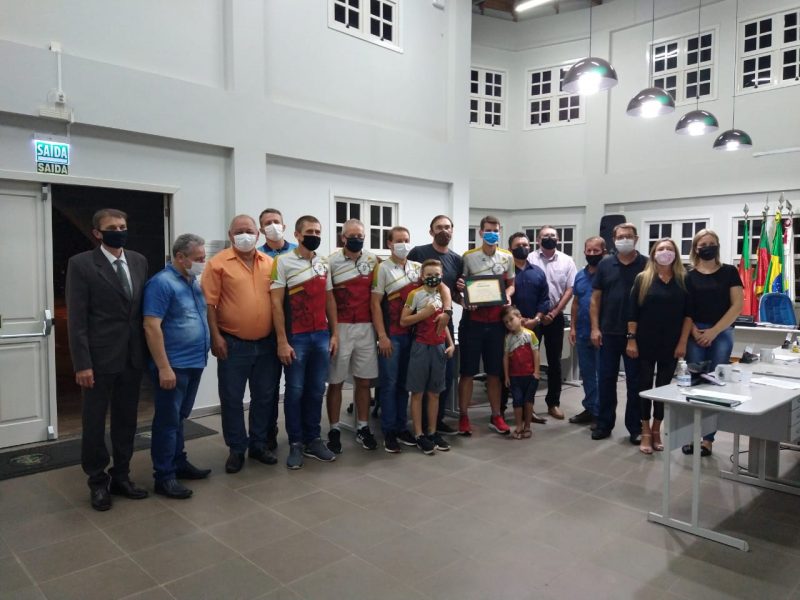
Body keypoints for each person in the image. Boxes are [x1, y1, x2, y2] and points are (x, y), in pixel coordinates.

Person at [66, 208, 149, 511]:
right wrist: (82, 363)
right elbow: (77, 319)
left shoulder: (138, 261)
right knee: (94, 421)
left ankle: (122, 475)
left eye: (123, 226)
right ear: (97, 233)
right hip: (98, 360)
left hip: (131, 356)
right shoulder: (82, 264)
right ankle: (97, 481)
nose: (119, 231)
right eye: (112, 227)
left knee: (127, 420)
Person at [202, 215, 280, 474]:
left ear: (258, 234)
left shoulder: (270, 263)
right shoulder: (217, 264)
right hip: (233, 344)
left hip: (266, 344)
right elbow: (210, 305)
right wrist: (216, 337)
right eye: (238, 231)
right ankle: (236, 448)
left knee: (264, 397)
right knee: (232, 399)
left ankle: (258, 444)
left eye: (249, 230)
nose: (244, 235)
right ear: (230, 235)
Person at [143, 233, 212, 499]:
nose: (203, 262)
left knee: (180, 417)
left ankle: (178, 462)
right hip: (174, 365)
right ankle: (164, 476)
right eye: (198, 258)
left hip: (194, 362)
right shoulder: (161, 283)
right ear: (180, 257)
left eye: (204, 257)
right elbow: (151, 326)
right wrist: (163, 367)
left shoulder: (192, 282)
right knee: (167, 421)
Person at [371, 227, 452, 452]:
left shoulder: (417, 267)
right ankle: (389, 431)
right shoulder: (382, 269)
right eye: (399, 240)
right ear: (389, 243)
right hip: (392, 335)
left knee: (405, 385)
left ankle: (401, 427)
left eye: (406, 240)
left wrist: (447, 311)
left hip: (415, 336)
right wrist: (382, 336)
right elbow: (375, 304)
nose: (403, 244)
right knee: (389, 384)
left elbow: (443, 287)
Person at [271, 215, 339, 469]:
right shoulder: (282, 261)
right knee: (295, 391)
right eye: (309, 231)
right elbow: (276, 303)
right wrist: (282, 340)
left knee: (316, 390)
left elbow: (330, 299)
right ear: (297, 235)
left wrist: (334, 333)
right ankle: (296, 443)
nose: (314, 235)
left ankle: (313, 439)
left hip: (321, 335)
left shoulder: (323, 263)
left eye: (318, 231)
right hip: (296, 336)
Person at [626, 238, 692, 455]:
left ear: (676, 254)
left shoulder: (683, 279)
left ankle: (657, 429)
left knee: (663, 388)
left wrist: (683, 342)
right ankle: (645, 430)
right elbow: (632, 313)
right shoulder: (643, 278)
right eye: (661, 249)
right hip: (645, 341)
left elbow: (688, 315)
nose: (665, 252)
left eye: (669, 249)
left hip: (671, 344)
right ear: (654, 253)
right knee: (645, 386)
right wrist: (631, 339)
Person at [683, 229, 743, 457]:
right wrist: (695, 332)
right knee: (694, 383)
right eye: (702, 244)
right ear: (695, 248)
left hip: (722, 332)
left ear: (717, 245)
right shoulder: (688, 276)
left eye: (711, 243)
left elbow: (737, 305)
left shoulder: (729, 272)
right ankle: (690, 435)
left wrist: (714, 331)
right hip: (695, 332)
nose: (707, 247)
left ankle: (707, 439)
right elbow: (683, 308)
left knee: (715, 384)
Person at [325, 219, 380, 454]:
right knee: (336, 381)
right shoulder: (330, 262)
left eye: (361, 236)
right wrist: (334, 332)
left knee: (364, 381)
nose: (357, 239)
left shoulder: (373, 260)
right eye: (352, 236)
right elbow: (328, 298)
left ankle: (363, 426)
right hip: (342, 327)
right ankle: (334, 429)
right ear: (343, 237)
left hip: (366, 327)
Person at [457, 215, 515, 436]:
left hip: (497, 323)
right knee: (467, 372)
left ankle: (496, 415)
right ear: (480, 232)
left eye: (496, 230)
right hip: (472, 323)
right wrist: (466, 296)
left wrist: (508, 295)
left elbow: (511, 285)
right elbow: (462, 285)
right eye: (488, 230)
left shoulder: (507, 257)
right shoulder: (469, 257)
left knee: (494, 373)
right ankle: (463, 416)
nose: (492, 234)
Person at [590, 223, 647, 443]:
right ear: (613, 240)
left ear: (636, 238)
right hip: (608, 333)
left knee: (635, 382)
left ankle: (635, 428)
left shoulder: (646, 264)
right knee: (606, 380)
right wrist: (595, 328)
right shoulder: (605, 264)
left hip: (636, 335)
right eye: (620, 236)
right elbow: (595, 300)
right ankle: (604, 424)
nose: (625, 240)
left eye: (629, 236)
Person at [408, 215, 461, 435]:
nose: (444, 231)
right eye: (439, 227)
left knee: (442, 377)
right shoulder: (418, 253)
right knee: (419, 380)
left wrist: (466, 300)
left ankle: (436, 423)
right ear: (431, 231)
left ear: (452, 231)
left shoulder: (457, 260)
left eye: (447, 227)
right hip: (419, 326)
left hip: (444, 324)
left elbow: (454, 292)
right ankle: (418, 427)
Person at [400, 259, 455, 454]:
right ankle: (419, 434)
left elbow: (442, 322)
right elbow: (404, 320)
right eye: (429, 275)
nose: (433, 278)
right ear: (422, 276)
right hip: (421, 346)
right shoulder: (415, 294)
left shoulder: (442, 293)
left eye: (436, 275)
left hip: (439, 347)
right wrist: (424, 313)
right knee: (418, 392)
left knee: (434, 393)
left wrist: (450, 343)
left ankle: (432, 431)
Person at [257, 208, 298, 453]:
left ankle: (298, 436)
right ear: (261, 230)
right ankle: (267, 435)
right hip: (267, 330)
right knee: (268, 389)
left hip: (297, 328)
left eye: (276, 221)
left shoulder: (298, 252)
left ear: (284, 225)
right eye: (267, 223)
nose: (273, 225)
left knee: (296, 387)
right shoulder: (257, 256)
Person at [527, 226, 577, 419]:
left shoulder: (567, 261)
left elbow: (570, 289)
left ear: (558, 239)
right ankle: (528, 405)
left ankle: (553, 403)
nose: (549, 238)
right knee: (530, 361)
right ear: (538, 240)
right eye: (545, 235)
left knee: (555, 362)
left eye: (552, 235)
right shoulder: (530, 259)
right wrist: (539, 315)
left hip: (555, 317)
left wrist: (554, 313)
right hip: (532, 317)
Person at [507, 232, 550, 424]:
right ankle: (502, 412)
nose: (522, 248)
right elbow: (502, 298)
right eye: (518, 245)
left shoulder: (538, 272)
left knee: (530, 371)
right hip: (509, 331)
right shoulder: (505, 274)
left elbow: (545, 299)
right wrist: (517, 321)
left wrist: (536, 319)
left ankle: (529, 411)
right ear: (510, 249)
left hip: (533, 328)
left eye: (525, 245)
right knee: (508, 371)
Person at [568, 236, 606, 426]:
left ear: (604, 252)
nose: (591, 254)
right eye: (588, 250)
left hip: (602, 333)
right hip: (582, 332)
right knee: (587, 374)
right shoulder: (580, 276)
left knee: (602, 375)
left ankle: (601, 412)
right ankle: (590, 408)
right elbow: (575, 303)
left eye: (595, 251)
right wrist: (573, 327)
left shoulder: (608, 274)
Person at [502, 306, 541, 439]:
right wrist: (506, 376)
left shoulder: (530, 335)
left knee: (529, 401)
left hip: (530, 375)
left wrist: (536, 372)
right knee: (517, 401)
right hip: (515, 377)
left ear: (519, 317)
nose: (509, 324)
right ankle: (519, 426)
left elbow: (536, 353)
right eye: (506, 322)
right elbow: (505, 358)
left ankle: (527, 426)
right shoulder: (507, 338)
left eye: (511, 319)